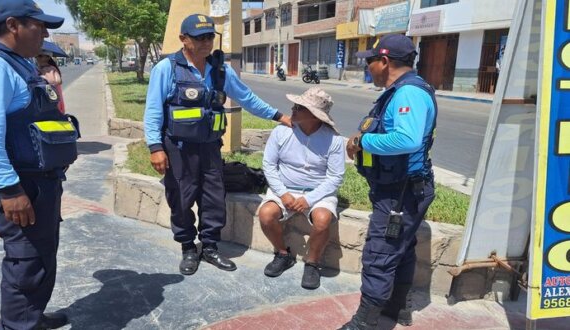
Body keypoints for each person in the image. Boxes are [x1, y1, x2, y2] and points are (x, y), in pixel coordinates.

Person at [144, 14, 291, 276]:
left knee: (213, 198)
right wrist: (155, 147)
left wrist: (279, 116)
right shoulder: (166, 68)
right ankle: (189, 248)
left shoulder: (221, 70)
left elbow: (247, 98)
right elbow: (153, 110)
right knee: (180, 198)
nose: (206, 42)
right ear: (184, 39)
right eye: (199, 37)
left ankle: (210, 247)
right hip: (177, 148)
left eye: (210, 36)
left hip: (210, 147)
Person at [0, 1, 78, 329]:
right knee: (26, 267)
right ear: (13, 25)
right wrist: (10, 190)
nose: (45, 32)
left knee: (41, 259)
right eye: (38, 25)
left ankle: (32, 319)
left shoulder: (19, 64)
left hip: (41, 182)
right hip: (21, 185)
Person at [339, 34, 438, 330]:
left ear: (384, 61)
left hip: (401, 191)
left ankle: (364, 323)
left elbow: (406, 140)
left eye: (370, 62)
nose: (368, 68)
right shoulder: (403, 91)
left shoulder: (408, 93)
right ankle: (399, 309)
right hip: (401, 187)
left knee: (379, 254)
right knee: (402, 248)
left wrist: (363, 140)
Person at [258, 87, 345, 290]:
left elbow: (335, 177)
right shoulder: (281, 132)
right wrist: (283, 193)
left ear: (314, 115)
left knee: (323, 220)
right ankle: (282, 254)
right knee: (266, 214)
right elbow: (269, 166)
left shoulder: (333, 140)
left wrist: (309, 199)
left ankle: (312, 263)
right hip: (285, 188)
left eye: (299, 107)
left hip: (318, 192)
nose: (292, 109)